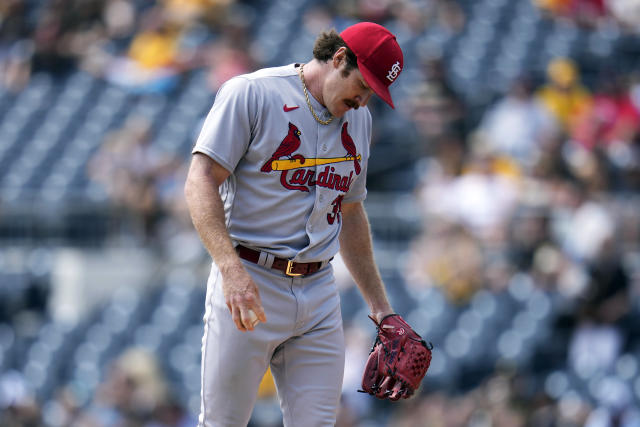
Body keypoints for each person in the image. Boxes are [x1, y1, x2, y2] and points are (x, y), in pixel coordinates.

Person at [184, 22, 410, 427]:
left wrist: (381, 308)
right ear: (339, 58)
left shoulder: (359, 120)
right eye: (362, 84)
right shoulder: (253, 94)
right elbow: (199, 179)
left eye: (373, 93)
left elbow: (351, 212)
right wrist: (230, 270)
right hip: (250, 280)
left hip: (319, 289)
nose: (363, 100)